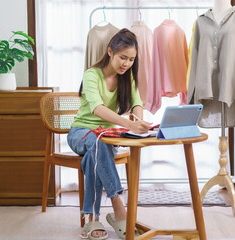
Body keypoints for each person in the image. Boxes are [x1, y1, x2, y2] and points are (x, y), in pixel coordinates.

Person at [67, 28, 150, 239]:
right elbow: (97, 108)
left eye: (131, 59)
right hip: (81, 133)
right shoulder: (91, 74)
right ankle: (118, 206)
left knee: (94, 155)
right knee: (97, 143)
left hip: (105, 137)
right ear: (110, 51)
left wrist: (139, 121)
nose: (127, 64)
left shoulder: (127, 77)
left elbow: (137, 103)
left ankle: (92, 220)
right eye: (123, 57)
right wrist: (129, 125)